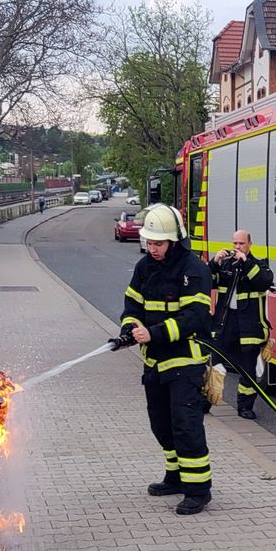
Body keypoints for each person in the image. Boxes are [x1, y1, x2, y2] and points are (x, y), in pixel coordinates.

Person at [119, 204, 214, 514]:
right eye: (150, 242)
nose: (153, 248)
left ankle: (198, 490)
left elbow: (195, 318)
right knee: (160, 423)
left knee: (186, 425)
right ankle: (175, 476)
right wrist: (129, 329)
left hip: (185, 362)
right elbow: (132, 306)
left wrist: (154, 334)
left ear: (174, 240)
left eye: (158, 243)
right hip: (155, 363)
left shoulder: (193, 270)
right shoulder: (144, 268)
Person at [208, 230, 273, 419]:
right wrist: (214, 263)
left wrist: (246, 262)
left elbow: (263, 282)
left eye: (241, 244)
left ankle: (245, 407)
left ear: (250, 244)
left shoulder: (258, 265)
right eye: (234, 243)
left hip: (249, 326)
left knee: (248, 369)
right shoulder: (225, 266)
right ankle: (205, 401)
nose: (237, 247)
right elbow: (205, 281)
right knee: (214, 363)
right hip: (226, 323)